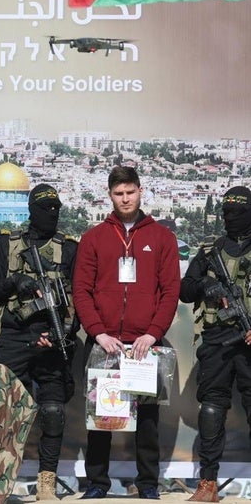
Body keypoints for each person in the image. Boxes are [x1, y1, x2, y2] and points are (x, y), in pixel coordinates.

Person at [73, 166, 180, 500]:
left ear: (140, 191)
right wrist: (98, 332)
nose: (125, 199)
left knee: (147, 418)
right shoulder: (93, 238)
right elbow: (81, 290)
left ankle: (147, 483)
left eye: (130, 192)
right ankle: (97, 484)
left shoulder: (162, 237)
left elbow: (170, 290)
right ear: (110, 195)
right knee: (102, 416)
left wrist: (152, 333)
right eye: (118, 194)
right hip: (105, 342)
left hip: (144, 344)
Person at [0, 184, 77, 501]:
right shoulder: (8, 245)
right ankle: (3, 481)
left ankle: (47, 481)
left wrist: (64, 332)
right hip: (14, 336)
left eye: (56, 209)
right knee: (7, 412)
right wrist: (15, 282)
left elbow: (79, 300)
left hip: (52, 338)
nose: (51, 214)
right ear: (31, 211)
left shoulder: (69, 249)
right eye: (45, 208)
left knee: (52, 410)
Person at [179, 186, 251, 503]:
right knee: (211, 410)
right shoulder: (211, 251)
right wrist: (205, 284)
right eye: (226, 213)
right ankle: (207, 483)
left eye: (238, 212)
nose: (230, 219)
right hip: (218, 341)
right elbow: (185, 289)